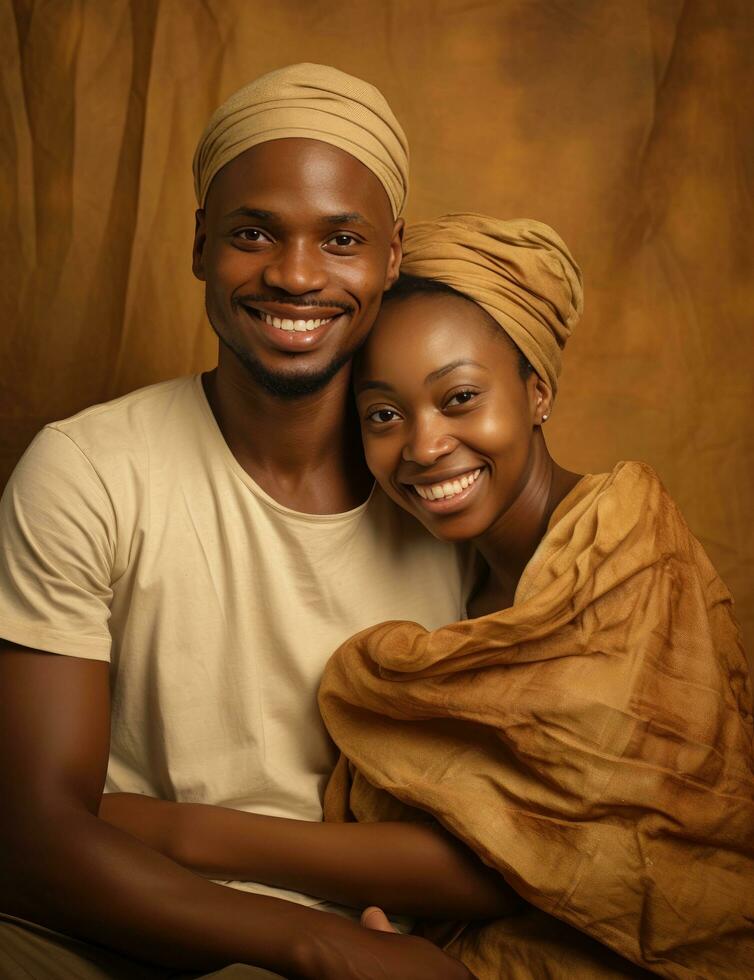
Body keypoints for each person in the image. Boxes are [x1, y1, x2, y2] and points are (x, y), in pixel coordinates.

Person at [103, 214, 753, 979]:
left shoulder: (626, 552)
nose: (423, 445)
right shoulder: (445, 567)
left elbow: (562, 852)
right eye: (383, 414)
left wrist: (175, 834)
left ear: (537, 391)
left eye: (460, 397)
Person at [0, 66, 501, 979]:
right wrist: (317, 945)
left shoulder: (449, 491)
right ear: (200, 246)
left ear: (393, 259)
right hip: (112, 923)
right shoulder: (86, 471)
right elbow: (33, 835)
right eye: (254, 232)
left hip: (381, 934)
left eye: (341, 238)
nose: (296, 275)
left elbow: (512, 844)